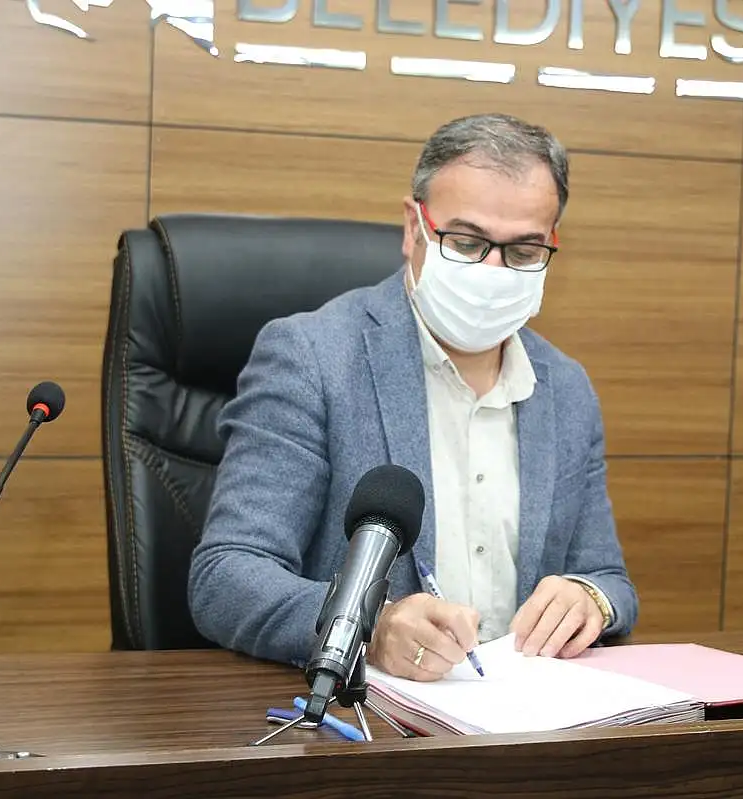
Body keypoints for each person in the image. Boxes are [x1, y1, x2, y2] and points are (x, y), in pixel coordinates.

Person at [188, 112, 638, 682]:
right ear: (413, 228)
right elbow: (227, 576)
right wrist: (369, 626)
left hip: (524, 713)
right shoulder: (312, 358)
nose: (493, 271)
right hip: (366, 713)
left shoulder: (566, 388)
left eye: (524, 251)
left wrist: (588, 598)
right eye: (466, 242)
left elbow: (608, 579)